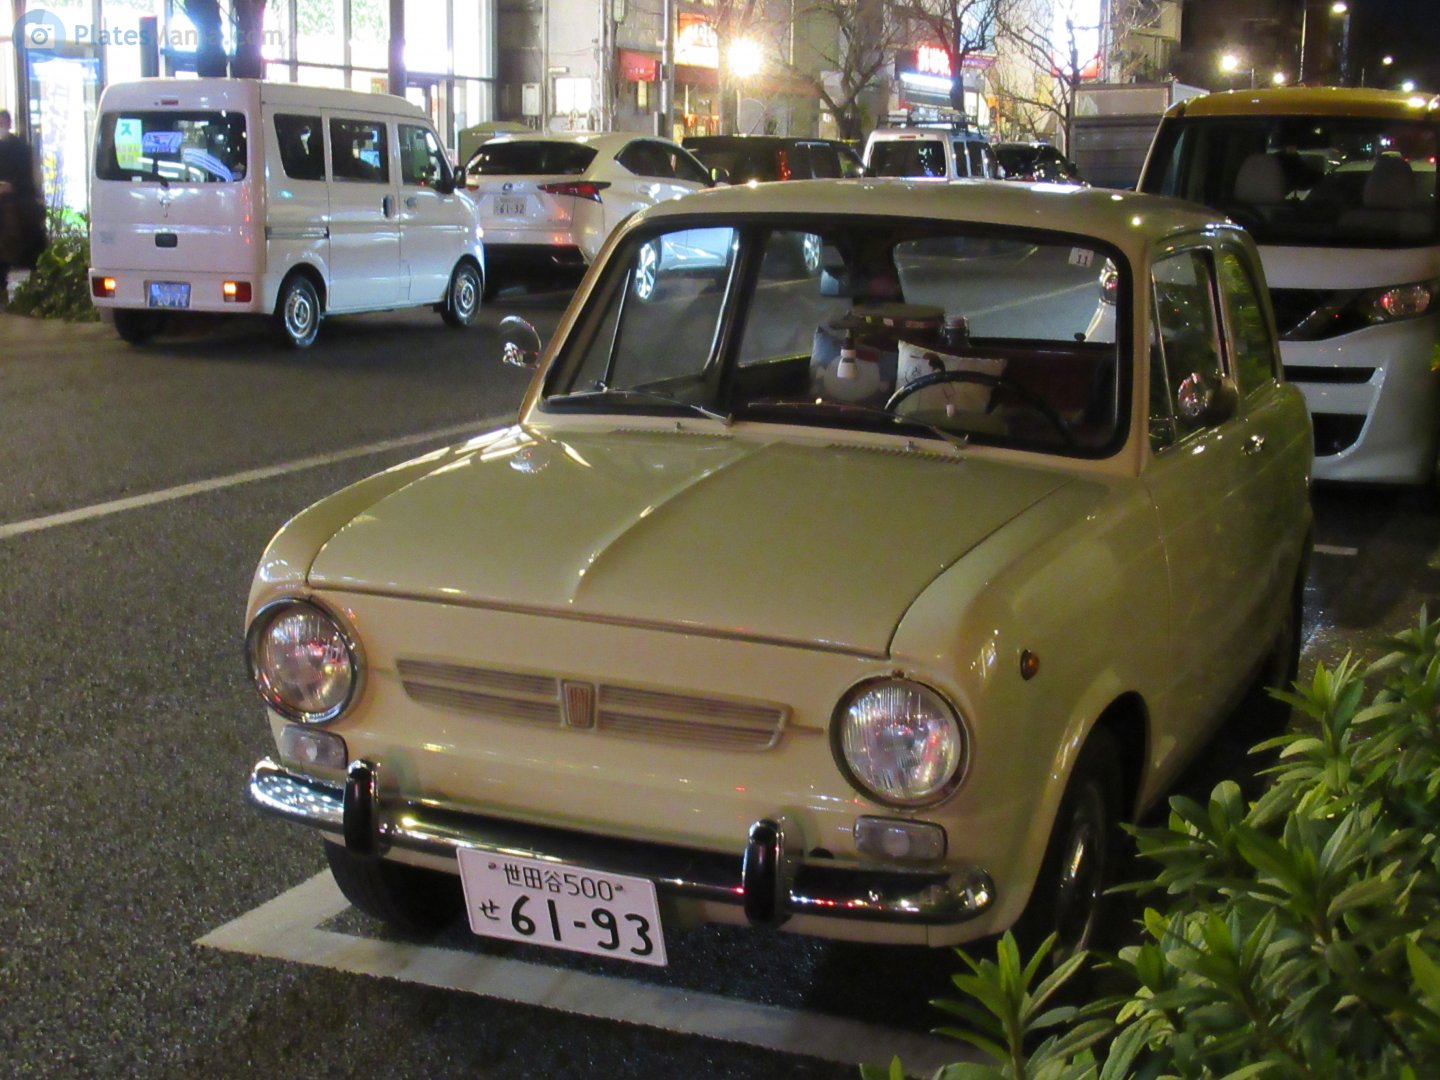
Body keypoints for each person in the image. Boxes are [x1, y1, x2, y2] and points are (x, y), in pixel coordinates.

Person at [0, 109, 43, 305]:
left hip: (16, 208)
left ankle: (28, 292)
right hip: (16, 208)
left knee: (20, 249)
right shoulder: (22, 148)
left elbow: (30, 178)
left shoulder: (20, 149)